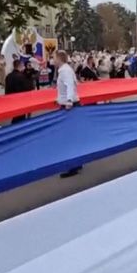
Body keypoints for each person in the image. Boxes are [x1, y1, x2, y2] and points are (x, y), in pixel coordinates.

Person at [54, 50, 82, 178]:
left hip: (69, 106)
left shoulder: (64, 71)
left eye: (54, 58)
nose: (53, 60)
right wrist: (61, 98)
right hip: (69, 103)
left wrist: (68, 100)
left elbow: (70, 85)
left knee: (69, 137)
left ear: (59, 58)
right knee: (74, 135)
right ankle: (77, 163)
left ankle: (73, 166)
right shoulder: (66, 70)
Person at [5, 59, 34, 124]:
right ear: (20, 66)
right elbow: (28, 88)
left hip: (11, 99)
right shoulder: (21, 76)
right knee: (20, 118)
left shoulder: (8, 76)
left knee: (16, 116)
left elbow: (6, 89)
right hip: (20, 100)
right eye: (23, 65)